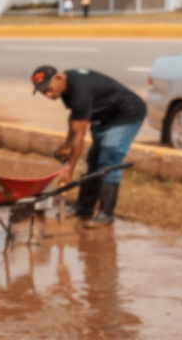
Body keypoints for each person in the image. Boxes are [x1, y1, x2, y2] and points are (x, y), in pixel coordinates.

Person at [31, 65, 147, 227]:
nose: (48, 95)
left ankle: (106, 214)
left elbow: (80, 135)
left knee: (109, 157)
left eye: (48, 89)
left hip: (126, 114)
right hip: (104, 116)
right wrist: (67, 144)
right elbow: (75, 118)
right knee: (94, 159)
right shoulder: (65, 87)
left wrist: (69, 169)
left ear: (58, 78)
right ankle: (84, 208)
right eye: (43, 92)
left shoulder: (79, 89)